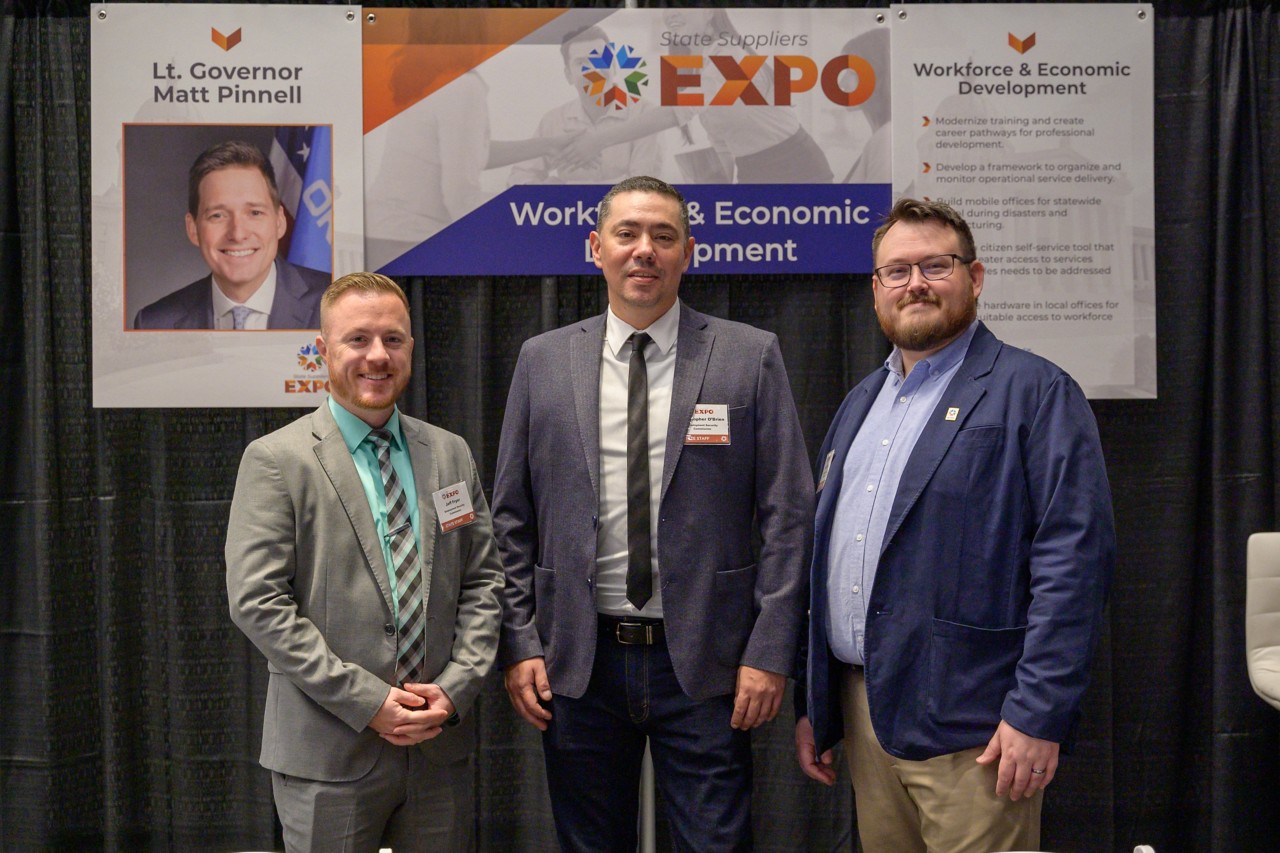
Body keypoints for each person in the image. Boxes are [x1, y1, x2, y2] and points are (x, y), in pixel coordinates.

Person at [494, 175, 814, 851]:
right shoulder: (543, 360)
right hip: (578, 660)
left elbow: (790, 512)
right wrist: (520, 640)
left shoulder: (748, 356)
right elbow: (511, 518)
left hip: (706, 663)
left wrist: (769, 650)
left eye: (664, 236)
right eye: (628, 234)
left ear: (689, 252)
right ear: (595, 248)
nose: (645, 250)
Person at [793, 198, 1115, 852]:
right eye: (896, 270)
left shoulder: (1035, 391)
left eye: (935, 265)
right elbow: (824, 558)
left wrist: (1038, 712)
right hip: (866, 717)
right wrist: (816, 702)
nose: (915, 283)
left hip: (979, 728)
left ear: (976, 275)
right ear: (876, 288)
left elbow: (1074, 564)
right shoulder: (860, 403)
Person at [226, 272, 503, 850]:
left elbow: (482, 583)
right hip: (328, 752)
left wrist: (454, 689)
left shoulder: (449, 452)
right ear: (323, 351)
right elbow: (258, 601)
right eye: (357, 339)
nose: (377, 355)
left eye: (393, 339)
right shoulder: (277, 460)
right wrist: (368, 701)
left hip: (436, 746)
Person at [133, 140, 330, 330]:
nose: (237, 233)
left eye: (255, 213)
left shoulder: (339, 304)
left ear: (279, 222)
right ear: (193, 229)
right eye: (218, 215)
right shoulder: (154, 323)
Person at [506, 25, 663, 186]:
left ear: (614, 66)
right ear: (569, 76)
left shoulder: (645, 114)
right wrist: (545, 187)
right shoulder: (553, 121)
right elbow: (517, 178)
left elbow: (642, 187)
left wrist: (566, 187)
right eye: (581, 63)